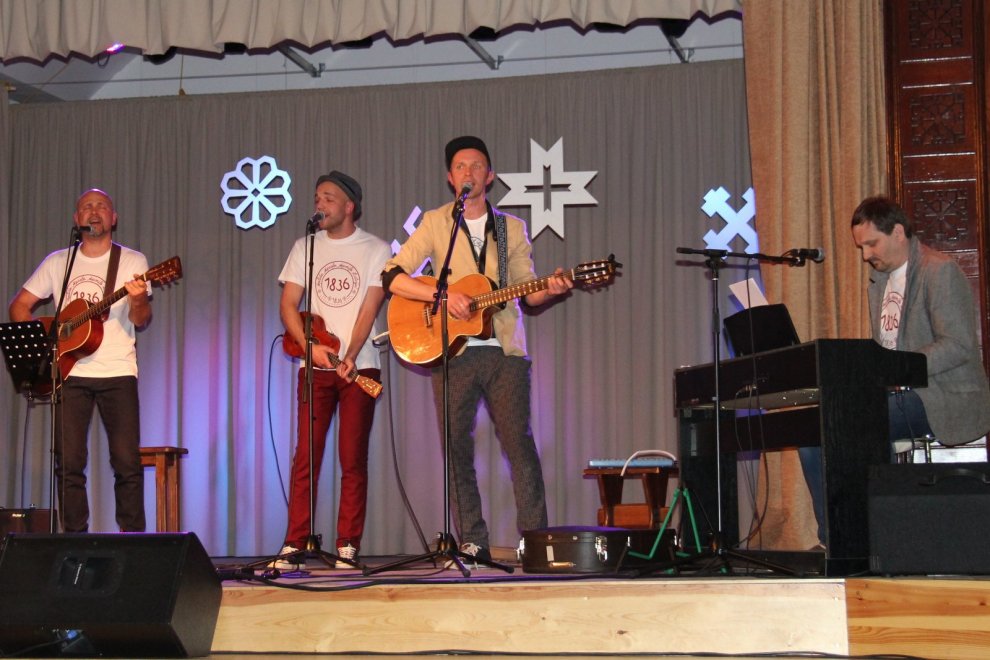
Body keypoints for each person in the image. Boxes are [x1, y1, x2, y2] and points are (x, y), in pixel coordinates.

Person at [382, 136, 573, 564]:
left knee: (519, 444)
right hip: (452, 351)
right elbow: (393, 275)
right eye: (460, 166)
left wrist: (553, 288)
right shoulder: (435, 223)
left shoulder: (511, 229)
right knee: (457, 449)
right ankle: (472, 539)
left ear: (490, 176)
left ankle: (535, 539)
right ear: (451, 178)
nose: (468, 172)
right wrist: (442, 296)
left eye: (477, 165)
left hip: (504, 351)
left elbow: (528, 293)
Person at [800, 195, 990, 545]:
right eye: (861, 246)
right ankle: (837, 539)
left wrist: (898, 371)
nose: (865, 255)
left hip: (941, 394)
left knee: (857, 424)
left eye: (872, 243)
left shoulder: (939, 270)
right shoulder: (880, 281)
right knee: (814, 430)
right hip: (898, 393)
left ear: (898, 232)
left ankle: (873, 538)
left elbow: (959, 345)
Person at [9, 188, 152, 533]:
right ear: (77, 219)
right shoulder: (59, 261)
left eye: (102, 206)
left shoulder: (132, 261)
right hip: (69, 373)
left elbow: (141, 319)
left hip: (118, 371)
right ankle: (74, 541)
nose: (94, 211)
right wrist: (47, 344)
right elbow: (19, 306)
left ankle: (133, 541)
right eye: (87, 206)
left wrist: (136, 300)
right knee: (68, 464)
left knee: (127, 463)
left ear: (113, 218)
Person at [274, 170, 390, 570]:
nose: (319, 204)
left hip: (359, 368)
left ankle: (347, 546)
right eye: (317, 198)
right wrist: (310, 347)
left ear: (349, 206)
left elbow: (370, 307)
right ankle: (295, 542)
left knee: (352, 458)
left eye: (328, 198)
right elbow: (288, 305)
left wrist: (351, 354)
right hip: (315, 367)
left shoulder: (376, 248)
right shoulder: (305, 246)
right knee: (306, 455)